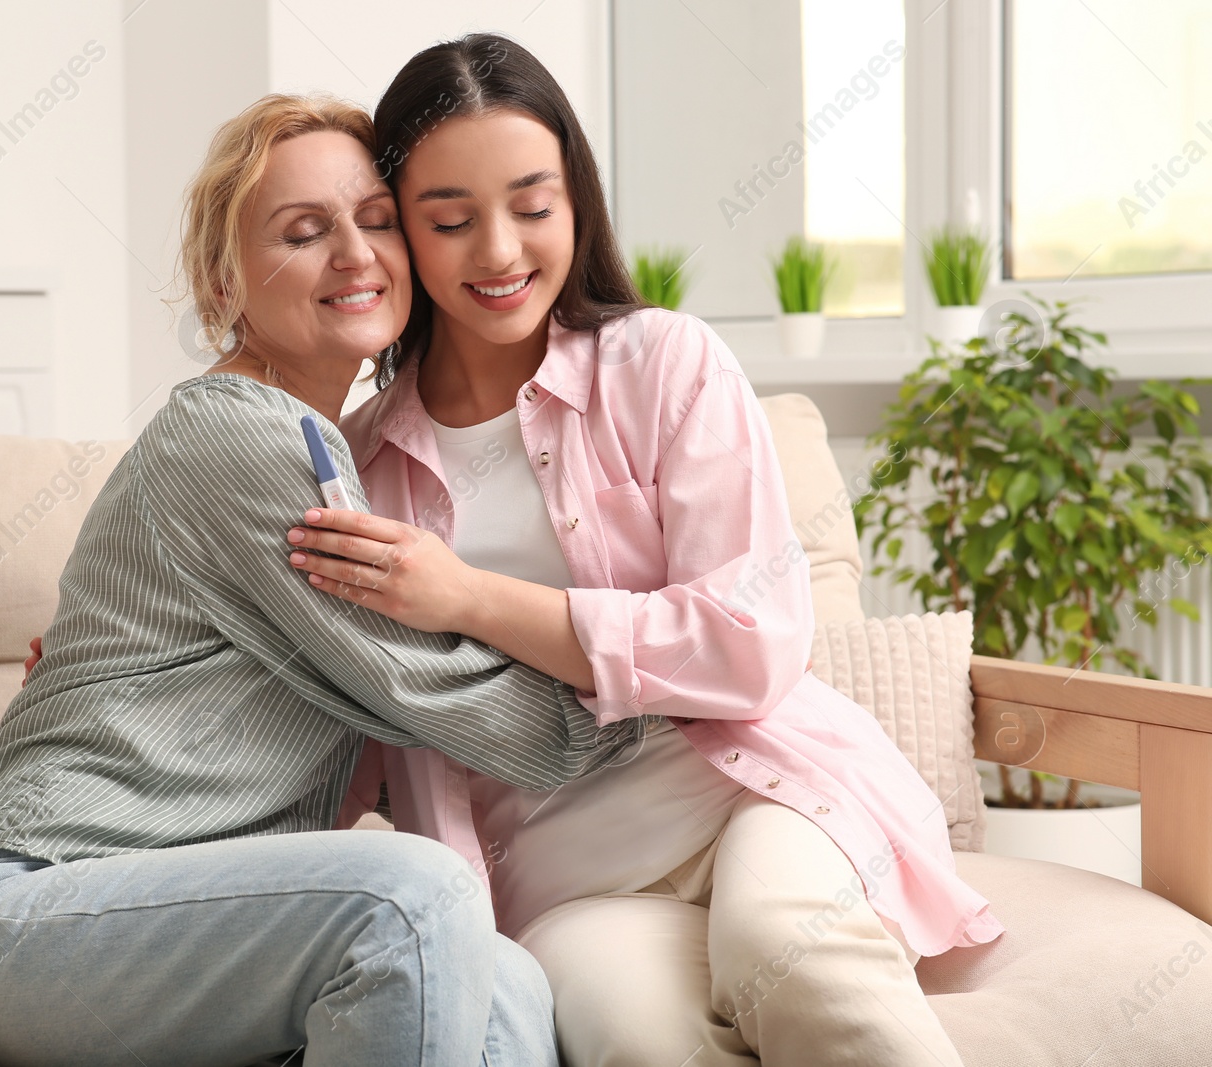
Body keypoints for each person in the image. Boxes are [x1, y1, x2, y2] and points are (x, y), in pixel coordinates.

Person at [278, 34, 1006, 1067]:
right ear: (398, 232)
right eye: (450, 219)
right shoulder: (357, 465)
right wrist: (146, 685)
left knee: (780, 944)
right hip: (563, 877)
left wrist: (470, 597)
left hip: (757, 793)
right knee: (631, 1033)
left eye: (532, 206)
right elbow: (339, 732)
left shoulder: (662, 363)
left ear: (575, 201)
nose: (498, 250)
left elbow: (749, 642)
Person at [0, 93, 646, 1067]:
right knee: (411, 898)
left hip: (189, 907)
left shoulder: (350, 456)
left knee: (509, 983)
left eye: (376, 221)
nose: (354, 253)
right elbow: (478, 708)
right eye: (304, 231)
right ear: (222, 285)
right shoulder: (241, 438)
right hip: (18, 907)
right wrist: (657, 673)